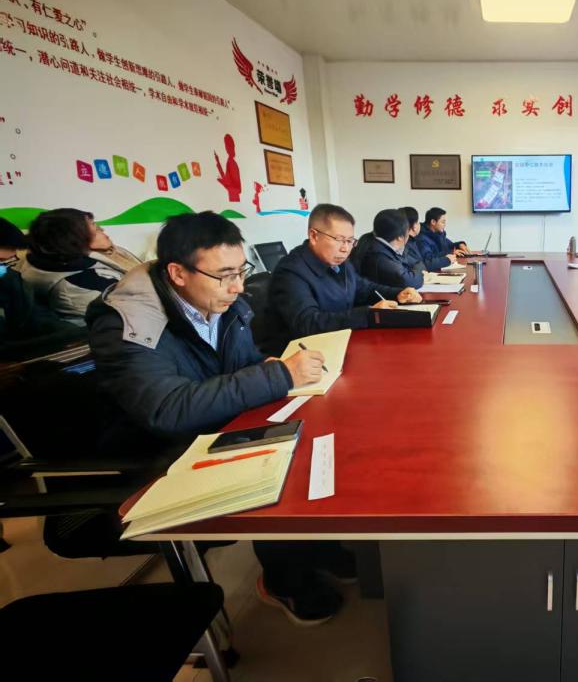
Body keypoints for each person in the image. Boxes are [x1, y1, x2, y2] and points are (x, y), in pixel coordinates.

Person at [87, 211, 345, 625]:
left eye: (241, 271)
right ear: (178, 273)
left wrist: (267, 365)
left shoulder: (221, 301)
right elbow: (167, 409)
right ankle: (284, 580)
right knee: (281, 463)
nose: (239, 287)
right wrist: (277, 375)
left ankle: (316, 546)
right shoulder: (128, 324)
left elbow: (240, 363)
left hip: (215, 422)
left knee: (316, 427)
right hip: (157, 452)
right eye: (225, 275)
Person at [261, 204, 422, 355]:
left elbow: (363, 288)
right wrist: (367, 314)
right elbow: (308, 323)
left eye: (350, 241)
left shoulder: (339, 263)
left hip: (340, 344)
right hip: (303, 356)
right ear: (314, 236)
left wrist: (397, 294)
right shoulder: (291, 272)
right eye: (339, 240)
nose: (345, 248)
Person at [18, 208, 142, 324]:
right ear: (73, 240)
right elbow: (129, 316)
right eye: (96, 230)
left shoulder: (100, 252)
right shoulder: (77, 284)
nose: (103, 231)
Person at [1, 217, 82, 359]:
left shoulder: (10, 280)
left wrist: (79, 334)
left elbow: (37, 318)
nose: (3, 267)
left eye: (6, 262)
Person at [359, 209, 425, 289]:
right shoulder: (378, 255)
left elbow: (418, 263)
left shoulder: (390, 248)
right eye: (408, 231)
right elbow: (410, 281)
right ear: (400, 237)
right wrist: (420, 273)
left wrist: (415, 271)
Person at [401, 206, 456, 272]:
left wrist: (460, 244)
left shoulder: (438, 234)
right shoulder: (420, 239)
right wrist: (447, 259)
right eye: (418, 222)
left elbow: (449, 244)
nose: (445, 225)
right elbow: (426, 262)